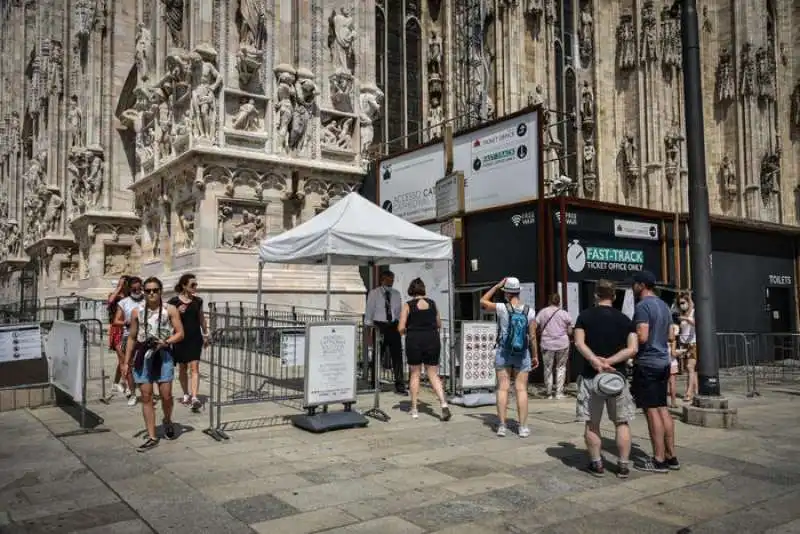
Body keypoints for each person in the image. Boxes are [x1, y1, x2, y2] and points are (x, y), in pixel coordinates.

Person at [574, 279, 638, 478]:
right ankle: (624, 465)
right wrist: (610, 361)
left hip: (591, 377)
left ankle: (597, 463)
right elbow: (633, 348)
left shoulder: (584, 316)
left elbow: (578, 343)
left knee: (592, 423)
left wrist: (596, 361)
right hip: (617, 378)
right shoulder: (626, 320)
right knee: (622, 422)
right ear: (615, 295)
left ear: (595, 295)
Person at [121, 277, 184, 452]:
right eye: (147, 290)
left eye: (155, 290)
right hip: (143, 355)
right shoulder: (136, 311)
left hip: (163, 355)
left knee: (166, 395)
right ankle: (152, 436)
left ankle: (167, 420)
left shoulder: (170, 310)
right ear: (143, 291)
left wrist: (166, 342)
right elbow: (132, 337)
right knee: (146, 396)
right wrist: (126, 362)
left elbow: (180, 333)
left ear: (160, 291)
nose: (151, 293)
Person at [631, 271, 679, 473]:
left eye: (635, 284)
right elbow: (670, 335)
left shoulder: (643, 306)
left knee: (651, 410)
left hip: (648, 362)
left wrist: (629, 337)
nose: (633, 287)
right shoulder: (664, 306)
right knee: (662, 408)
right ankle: (671, 456)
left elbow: (642, 336)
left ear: (642, 285)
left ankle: (658, 459)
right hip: (663, 361)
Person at [480, 277, 538, 438]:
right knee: (521, 389)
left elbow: (483, 301)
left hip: (503, 351)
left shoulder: (501, 308)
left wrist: (497, 286)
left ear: (506, 293)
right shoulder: (530, 311)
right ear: (519, 291)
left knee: (503, 388)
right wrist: (535, 355)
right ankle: (523, 427)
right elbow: (532, 337)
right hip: (522, 353)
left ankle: (502, 426)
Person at [397, 278, 451, 421]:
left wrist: (406, 332)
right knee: (433, 374)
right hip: (432, 339)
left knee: (415, 374)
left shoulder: (408, 305)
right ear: (423, 289)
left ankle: (414, 409)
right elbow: (438, 323)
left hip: (414, 340)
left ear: (411, 290)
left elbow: (401, 327)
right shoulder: (433, 304)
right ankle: (443, 403)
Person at [168, 273, 209, 411]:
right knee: (183, 368)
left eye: (196, 284)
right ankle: (185, 393)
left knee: (195, 367)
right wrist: (177, 311)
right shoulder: (174, 302)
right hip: (180, 338)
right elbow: (167, 320)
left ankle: (195, 397)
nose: (195, 287)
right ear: (184, 286)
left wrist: (206, 334)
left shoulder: (198, 301)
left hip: (195, 337)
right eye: (192, 285)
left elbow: (202, 318)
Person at [365, 270, 405, 394]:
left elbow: (398, 312)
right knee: (378, 355)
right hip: (379, 325)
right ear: (383, 279)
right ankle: (374, 382)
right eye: (389, 279)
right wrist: (369, 330)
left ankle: (400, 385)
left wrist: (400, 325)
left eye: (392, 279)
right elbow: (369, 311)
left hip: (393, 326)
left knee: (397, 356)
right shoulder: (374, 293)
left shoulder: (396, 294)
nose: (391, 281)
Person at [535, 293, 574, 399]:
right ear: (559, 302)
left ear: (549, 301)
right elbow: (570, 331)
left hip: (547, 344)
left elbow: (535, 325)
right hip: (562, 344)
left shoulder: (543, 312)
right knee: (561, 368)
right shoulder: (565, 314)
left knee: (548, 368)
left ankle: (548, 393)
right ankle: (559, 393)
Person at [113, 276, 144, 406]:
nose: (137, 291)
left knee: (144, 365)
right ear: (130, 288)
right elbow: (116, 321)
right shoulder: (124, 302)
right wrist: (126, 321)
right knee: (129, 366)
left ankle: (146, 392)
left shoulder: (148, 299)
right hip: (128, 336)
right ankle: (132, 393)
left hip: (144, 337)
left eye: (139, 288)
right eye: (134, 289)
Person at [108, 276, 128, 393]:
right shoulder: (114, 296)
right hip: (117, 330)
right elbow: (110, 302)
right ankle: (126, 385)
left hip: (129, 329)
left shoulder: (131, 297)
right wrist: (119, 288)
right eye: (121, 283)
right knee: (123, 359)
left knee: (125, 359)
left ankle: (116, 383)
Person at [677, 293, 697, 403]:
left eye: (683, 303)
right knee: (690, 369)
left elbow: (696, 323)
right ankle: (696, 391)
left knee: (690, 367)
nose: (681, 305)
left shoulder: (693, 313)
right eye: (680, 303)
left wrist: (686, 318)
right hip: (684, 343)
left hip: (693, 343)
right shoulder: (682, 313)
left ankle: (689, 392)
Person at [668, 318, 681, 409]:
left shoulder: (660, 339)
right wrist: (680, 352)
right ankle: (673, 402)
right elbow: (673, 353)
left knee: (663, 383)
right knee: (672, 383)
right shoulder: (673, 341)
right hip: (672, 363)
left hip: (663, 362)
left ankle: (663, 402)